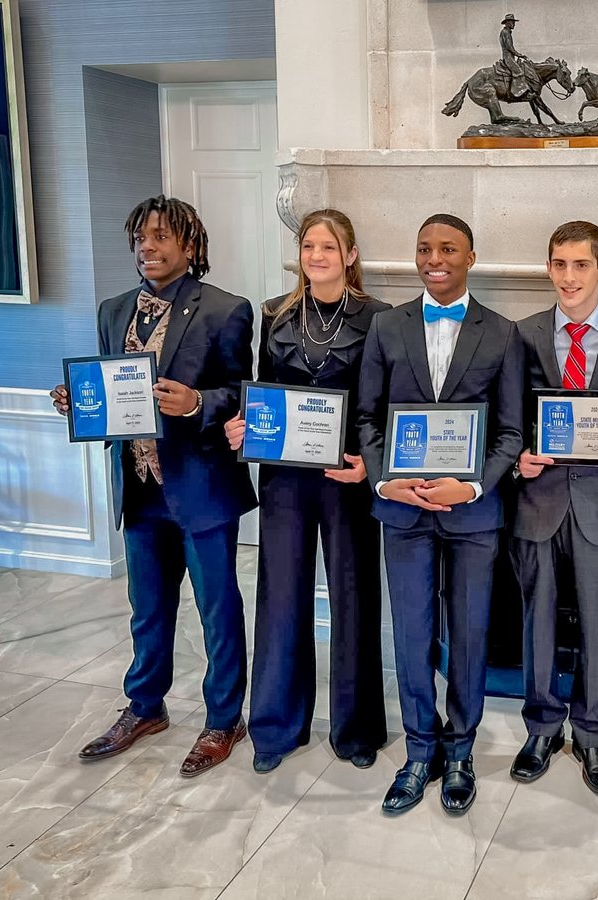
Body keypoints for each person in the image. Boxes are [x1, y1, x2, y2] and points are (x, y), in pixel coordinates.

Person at [50, 195, 257, 777]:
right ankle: (145, 707)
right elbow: (111, 392)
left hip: (201, 486)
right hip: (140, 490)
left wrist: (199, 402)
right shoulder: (113, 310)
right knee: (147, 608)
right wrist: (77, 402)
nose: (148, 246)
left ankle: (224, 719)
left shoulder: (226, 309)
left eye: (162, 236)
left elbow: (245, 392)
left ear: (189, 247)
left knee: (218, 610)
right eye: (141, 236)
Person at [357, 213, 523, 816]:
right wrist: (385, 480)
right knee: (411, 634)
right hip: (402, 510)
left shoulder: (502, 333)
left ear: (470, 256)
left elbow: (510, 431)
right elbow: (368, 418)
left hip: (471, 514)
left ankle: (460, 751)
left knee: (472, 634)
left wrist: (472, 488)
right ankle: (419, 750)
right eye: (424, 248)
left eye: (447, 249)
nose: (434, 258)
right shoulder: (385, 327)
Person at [224, 209, 389, 774]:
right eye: (308, 246)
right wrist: (243, 425)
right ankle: (275, 727)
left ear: (350, 255)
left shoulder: (381, 318)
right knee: (281, 594)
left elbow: (386, 403)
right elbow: (261, 393)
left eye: (328, 246)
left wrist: (371, 463)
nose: (316, 256)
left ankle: (357, 728)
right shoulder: (273, 314)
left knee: (354, 594)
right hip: (286, 477)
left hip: (347, 475)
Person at [508, 221, 598, 795]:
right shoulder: (522, 335)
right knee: (536, 621)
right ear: (549, 269)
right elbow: (509, 414)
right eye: (559, 265)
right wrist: (519, 454)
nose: (569, 277)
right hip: (537, 502)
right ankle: (541, 727)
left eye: (581, 266)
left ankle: (594, 736)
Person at [499, 13, 533, 98]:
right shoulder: (505, 33)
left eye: (514, 22)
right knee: (519, 72)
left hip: (510, 57)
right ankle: (518, 92)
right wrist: (520, 55)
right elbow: (509, 47)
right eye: (512, 22)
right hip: (508, 58)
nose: (514, 24)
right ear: (507, 23)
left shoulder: (507, 32)